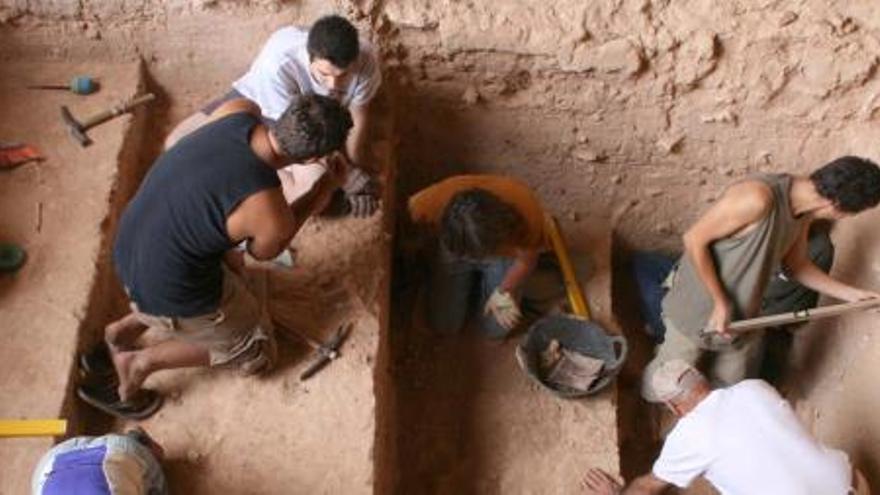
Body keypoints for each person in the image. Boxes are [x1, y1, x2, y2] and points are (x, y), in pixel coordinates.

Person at [78, 93, 352, 418]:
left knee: (228, 262)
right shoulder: (267, 209)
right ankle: (137, 364)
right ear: (312, 160)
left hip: (129, 251)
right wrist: (323, 189)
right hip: (165, 287)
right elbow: (264, 251)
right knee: (257, 351)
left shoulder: (239, 110)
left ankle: (122, 331)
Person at [642, 157, 880, 399]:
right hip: (700, 306)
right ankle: (646, 409)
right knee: (669, 381)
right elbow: (694, 239)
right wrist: (720, 302)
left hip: (744, 315)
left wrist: (852, 294)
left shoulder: (803, 210)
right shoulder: (757, 199)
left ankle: (713, 423)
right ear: (836, 205)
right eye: (852, 213)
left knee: (734, 390)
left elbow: (796, 266)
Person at [165, 14, 382, 217]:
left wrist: (357, 162)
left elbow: (359, 114)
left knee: (311, 188)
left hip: (313, 120)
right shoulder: (278, 64)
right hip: (264, 104)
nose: (333, 84)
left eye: (342, 76)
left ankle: (269, 180)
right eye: (323, 74)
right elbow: (297, 131)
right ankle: (256, 177)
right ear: (309, 58)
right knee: (176, 144)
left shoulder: (366, 61)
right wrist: (348, 176)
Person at [582, 360, 870, 495]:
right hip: (854, 485)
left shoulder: (686, 438)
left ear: (672, 407)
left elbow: (646, 488)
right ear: (702, 380)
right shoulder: (755, 388)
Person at [408, 174, 561, 338]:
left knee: (496, 330)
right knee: (445, 326)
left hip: (502, 250)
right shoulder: (425, 206)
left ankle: (480, 285)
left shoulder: (525, 215)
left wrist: (504, 291)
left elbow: (525, 261)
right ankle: (453, 286)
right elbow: (409, 241)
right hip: (453, 248)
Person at [31, 428, 168, 495]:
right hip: (51, 461)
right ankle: (133, 441)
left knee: (155, 484)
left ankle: (138, 441)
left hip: (117, 451)